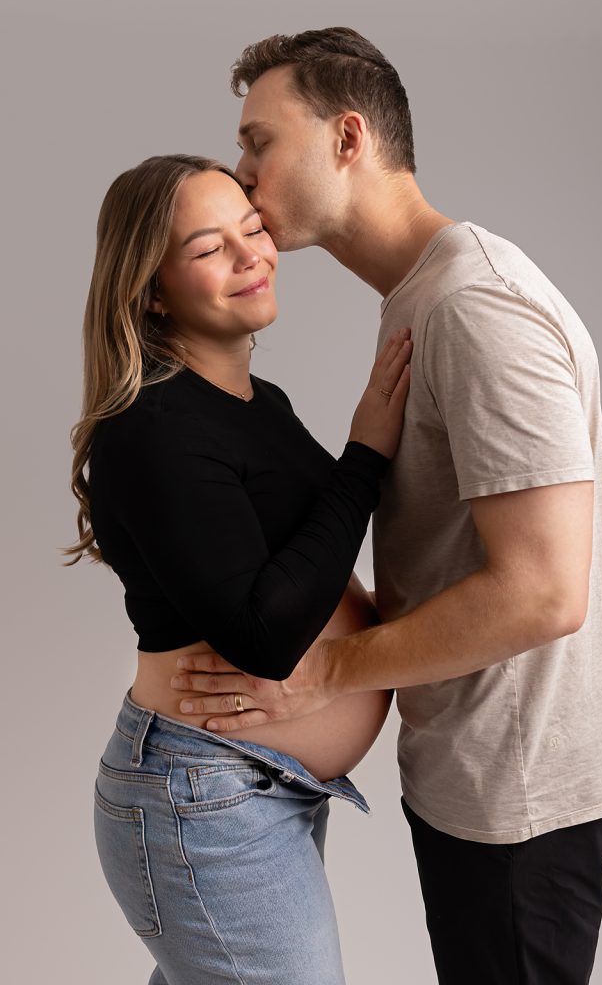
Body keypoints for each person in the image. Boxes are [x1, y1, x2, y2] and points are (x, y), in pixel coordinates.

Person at [172, 29, 602, 984]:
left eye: (260, 141)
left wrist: (328, 673)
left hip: (518, 792)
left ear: (347, 137)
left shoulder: (474, 308)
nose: (243, 172)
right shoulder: (422, 295)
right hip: (481, 770)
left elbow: (542, 594)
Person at [65, 153, 412, 985]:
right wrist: (364, 455)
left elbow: (303, 566)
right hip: (205, 797)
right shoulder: (153, 429)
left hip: (244, 792)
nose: (251, 254)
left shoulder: (261, 403)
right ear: (151, 290)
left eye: (251, 229)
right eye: (208, 247)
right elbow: (266, 635)